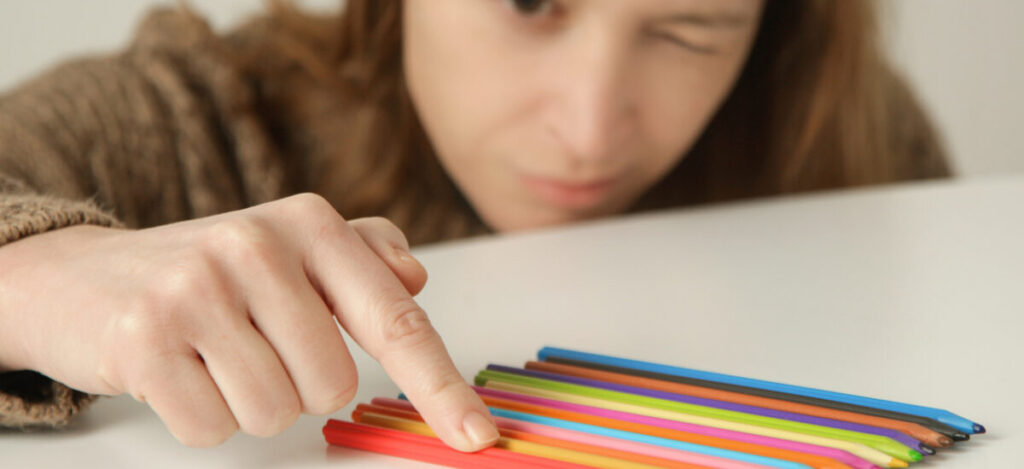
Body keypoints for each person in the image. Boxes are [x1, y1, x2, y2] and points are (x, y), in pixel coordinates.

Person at [0, 0, 949, 453]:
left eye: (688, 32)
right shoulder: (198, 113)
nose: (587, 129)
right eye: (529, 4)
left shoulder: (850, 137)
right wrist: (41, 279)